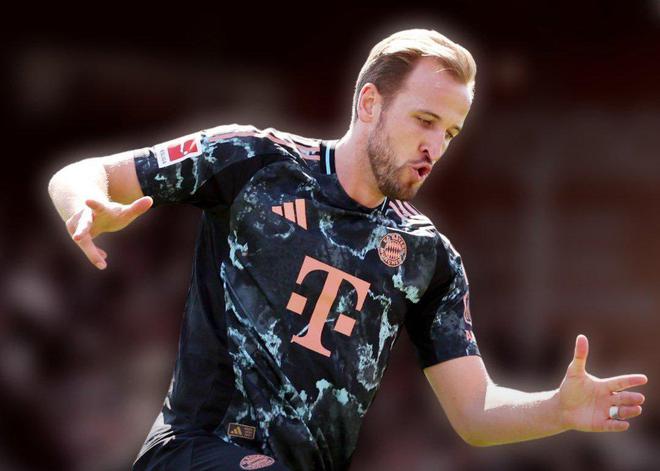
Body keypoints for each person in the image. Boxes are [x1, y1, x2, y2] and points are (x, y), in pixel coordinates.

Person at [48, 29, 648, 471]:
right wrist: (85, 203)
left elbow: (475, 412)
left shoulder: (427, 257)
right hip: (196, 451)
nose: (436, 146)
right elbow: (85, 172)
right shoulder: (254, 160)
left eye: (450, 131)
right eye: (424, 120)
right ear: (369, 104)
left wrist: (557, 410)